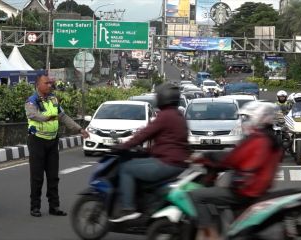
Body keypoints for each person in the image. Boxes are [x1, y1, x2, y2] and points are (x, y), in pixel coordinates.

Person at [188, 101, 284, 240]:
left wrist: (207, 157)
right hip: (260, 189)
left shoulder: (258, 139)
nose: (245, 122)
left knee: (197, 196)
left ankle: (211, 235)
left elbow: (232, 159)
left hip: (245, 190)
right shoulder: (272, 140)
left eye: (247, 118)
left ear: (257, 118)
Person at [110, 83, 190, 222]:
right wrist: (147, 150)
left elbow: (144, 135)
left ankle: (128, 208)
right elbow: (169, 143)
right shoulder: (178, 116)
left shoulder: (165, 116)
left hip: (167, 163)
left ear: (163, 98)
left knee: (127, 168)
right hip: (178, 163)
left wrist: (123, 146)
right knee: (137, 164)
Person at [25, 74, 89, 217]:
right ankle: (35, 207)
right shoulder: (32, 100)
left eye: (50, 83)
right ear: (38, 85)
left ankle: (54, 206)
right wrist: (47, 118)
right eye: (46, 83)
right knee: (37, 177)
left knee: (53, 176)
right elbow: (32, 115)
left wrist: (79, 129)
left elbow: (63, 117)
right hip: (37, 141)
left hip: (52, 141)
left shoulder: (53, 99)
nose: (49, 85)